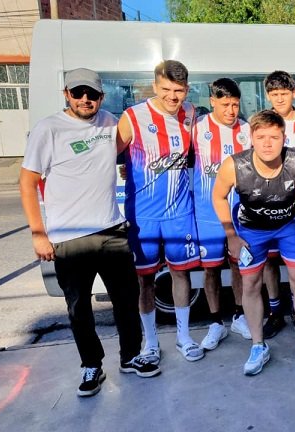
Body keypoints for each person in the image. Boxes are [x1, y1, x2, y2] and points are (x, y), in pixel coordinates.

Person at [19, 68, 160, 397]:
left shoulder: (109, 121)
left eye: (92, 94)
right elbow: (27, 182)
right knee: (78, 307)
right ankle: (92, 365)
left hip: (112, 229)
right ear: (66, 94)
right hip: (69, 236)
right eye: (78, 93)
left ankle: (130, 356)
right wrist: (38, 233)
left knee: (126, 300)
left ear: (101, 97)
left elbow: (124, 150)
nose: (85, 99)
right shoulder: (48, 129)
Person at [212, 110, 295, 376]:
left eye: (274, 137)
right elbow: (218, 197)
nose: (268, 144)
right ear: (251, 138)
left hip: (288, 226)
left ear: (284, 138)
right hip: (252, 230)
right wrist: (231, 235)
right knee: (250, 284)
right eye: (261, 137)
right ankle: (258, 345)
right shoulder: (234, 165)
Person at [117, 60, 204, 364]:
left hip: (179, 212)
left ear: (187, 90)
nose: (172, 96)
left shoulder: (190, 113)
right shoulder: (133, 116)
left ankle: (183, 337)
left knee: (181, 274)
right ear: (154, 86)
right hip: (143, 215)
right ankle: (151, 343)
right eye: (165, 89)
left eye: (178, 90)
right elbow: (108, 156)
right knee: (145, 281)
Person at [192, 78, 253, 351]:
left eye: (235, 105)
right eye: (225, 104)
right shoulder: (197, 128)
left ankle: (240, 315)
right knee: (211, 269)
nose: (231, 110)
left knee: (239, 265)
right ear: (212, 101)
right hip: (207, 213)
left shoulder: (246, 130)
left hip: (239, 212)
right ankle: (216, 322)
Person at [261, 70, 295, 339]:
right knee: (269, 262)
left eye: (284, 93)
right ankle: (274, 311)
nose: (280, 99)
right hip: (267, 205)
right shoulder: (261, 123)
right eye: (274, 94)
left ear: (294, 93)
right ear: (267, 96)